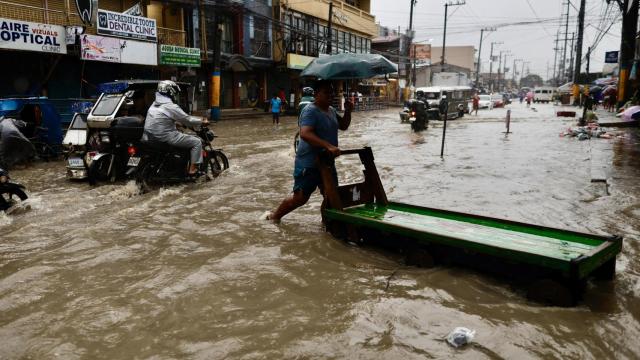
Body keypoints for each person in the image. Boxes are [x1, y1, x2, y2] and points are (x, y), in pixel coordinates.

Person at [265, 80, 353, 222]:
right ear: (316, 94)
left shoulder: (331, 110)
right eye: (326, 92)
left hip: (327, 161)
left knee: (332, 195)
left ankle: (329, 225)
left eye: (331, 92)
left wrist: (348, 111)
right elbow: (305, 133)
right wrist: (328, 146)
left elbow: (343, 125)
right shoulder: (310, 110)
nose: (330, 95)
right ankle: (275, 217)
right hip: (309, 163)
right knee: (300, 198)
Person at [143, 80, 207, 176]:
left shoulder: (154, 104)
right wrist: (202, 121)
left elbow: (161, 120)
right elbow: (187, 119)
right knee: (196, 142)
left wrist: (176, 123)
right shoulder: (170, 106)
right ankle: (192, 169)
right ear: (170, 91)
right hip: (165, 137)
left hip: (150, 136)